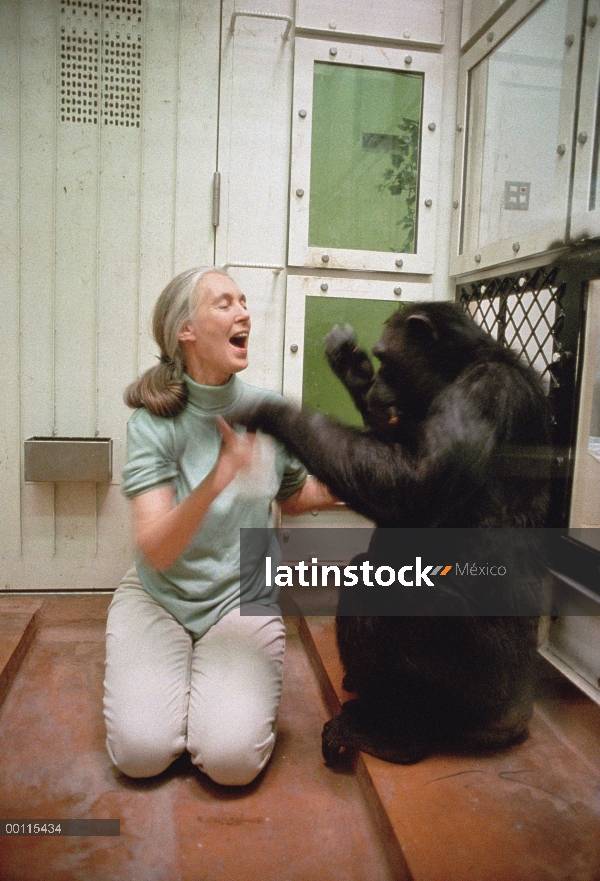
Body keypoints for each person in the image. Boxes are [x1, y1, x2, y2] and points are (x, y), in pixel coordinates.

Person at [103, 266, 336, 786]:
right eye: (225, 303)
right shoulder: (151, 423)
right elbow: (157, 550)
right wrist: (218, 477)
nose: (244, 313)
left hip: (242, 596)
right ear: (186, 331)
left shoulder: (268, 411)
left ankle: (200, 696)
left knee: (231, 764)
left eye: (244, 302)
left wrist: (381, 477)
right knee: (140, 756)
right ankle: (170, 675)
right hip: (159, 595)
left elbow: (297, 496)